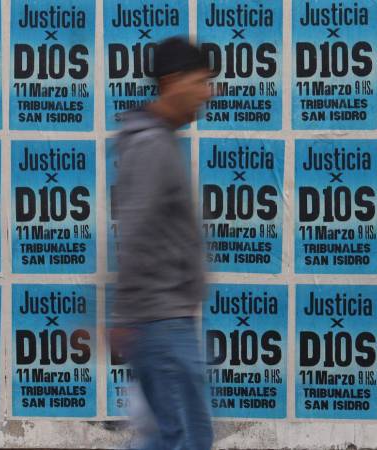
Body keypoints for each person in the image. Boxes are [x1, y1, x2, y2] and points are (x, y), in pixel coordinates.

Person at [111, 36, 214, 450]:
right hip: (161, 324)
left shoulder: (159, 140)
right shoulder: (152, 145)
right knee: (187, 438)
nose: (208, 93)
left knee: (173, 437)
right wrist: (126, 315)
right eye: (200, 82)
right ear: (172, 82)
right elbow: (135, 232)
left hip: (165, 322)